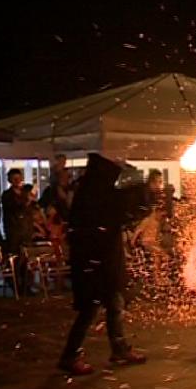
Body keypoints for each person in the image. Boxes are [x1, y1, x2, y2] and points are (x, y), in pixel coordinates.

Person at [58, 153, 149, 376]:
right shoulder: (95, 194)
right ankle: (70, 356)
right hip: (96, 260)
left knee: (115, 303)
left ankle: (119, 348)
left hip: (103, 258)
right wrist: (137, 185)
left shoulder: (93, 191)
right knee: (90, 308)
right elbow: (124, 213)